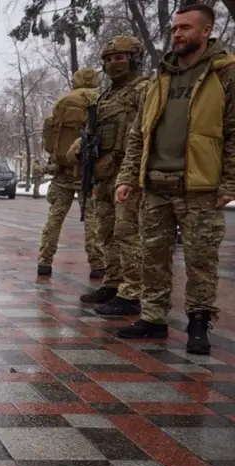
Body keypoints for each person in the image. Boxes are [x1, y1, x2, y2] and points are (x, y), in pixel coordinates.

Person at [115, 3, 235, 354]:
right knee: (152, 256)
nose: (177, 34)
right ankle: (153, 319)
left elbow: (233, 132)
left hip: (198, 187)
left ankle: (199, 323)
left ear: (207, 30)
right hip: (155, 184)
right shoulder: (162, 76)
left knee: (200, 260)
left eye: (185, 28)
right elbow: (140, 132)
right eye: (174, 29)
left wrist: (229, 182)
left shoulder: (225, 73)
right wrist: (128, 177)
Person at [71, 36, 150, 314]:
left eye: (120, 57)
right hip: (103, 174)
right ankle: (113, 282)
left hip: (127, 174)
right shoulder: (106, 95)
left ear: (134, 58)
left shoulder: (143, 89)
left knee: (128, 233)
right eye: (108, 58)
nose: (113, 63)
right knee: (106, 232)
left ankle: (133, 291)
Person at [37, 67, 105, 278]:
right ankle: (97, 265)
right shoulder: (103, 101)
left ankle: (44, 262)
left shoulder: (62, 102)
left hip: (63, 171)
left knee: (54, 220)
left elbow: (50, 135)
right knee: (93, 221)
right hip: (90, 173)